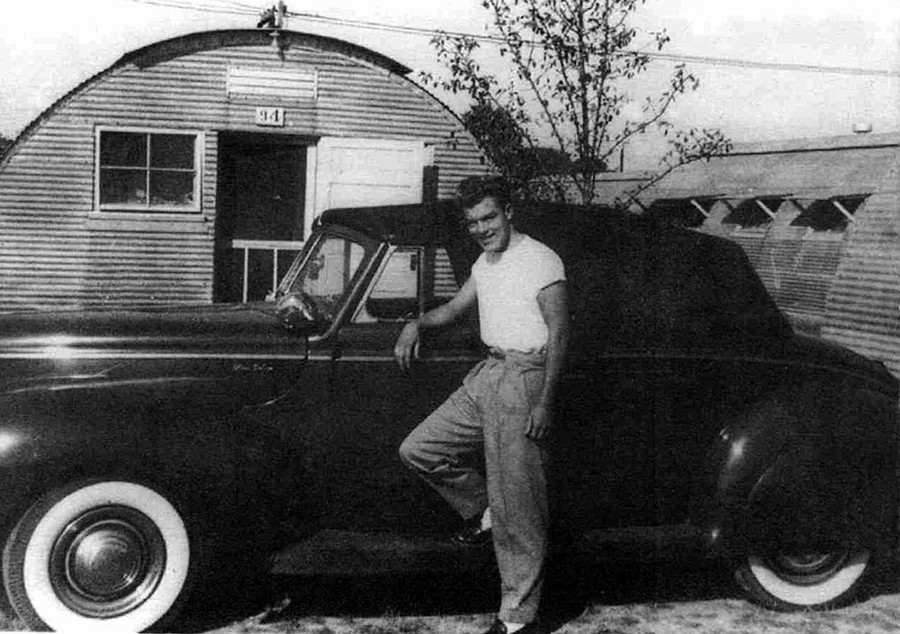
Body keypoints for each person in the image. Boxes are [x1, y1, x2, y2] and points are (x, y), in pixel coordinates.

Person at [395, 176, 570, 634]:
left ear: (509, 211)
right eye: (473, 221)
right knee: (420, 449)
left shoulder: (540, 259)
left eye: (488, 217)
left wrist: (545, 403)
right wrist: (416, 324)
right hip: (489, 373)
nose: (481, 228)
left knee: (522, 509)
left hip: (526, 378)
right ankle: (484, 507)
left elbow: (561, 333)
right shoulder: (486, 261)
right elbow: (454, 308)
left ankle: (518, 618)